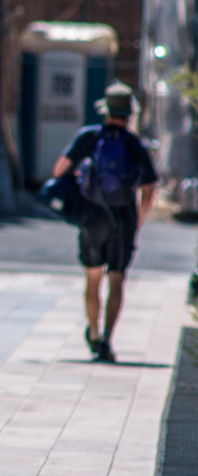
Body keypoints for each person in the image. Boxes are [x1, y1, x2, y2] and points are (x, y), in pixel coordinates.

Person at [52, 82, 157, 363]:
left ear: (106, 110)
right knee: (117, 279)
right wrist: (139, 220)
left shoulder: (88, 137)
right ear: (129, 114)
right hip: (123, 218)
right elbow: (149, 190)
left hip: (91, 215)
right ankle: (109, 339)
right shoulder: (135, 144)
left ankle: (94, 332)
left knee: (92, 277)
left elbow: (59, 170)